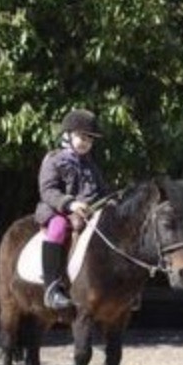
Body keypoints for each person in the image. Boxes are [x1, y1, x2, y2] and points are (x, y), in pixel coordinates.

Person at [35, 109, 109, 310]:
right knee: (57, 228)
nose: (85, 142)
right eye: (81, 137)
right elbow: (48, 190)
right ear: (67, 135)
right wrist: (70, 203)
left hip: (88, 213)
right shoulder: (54, 159)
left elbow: (102, 191)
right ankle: (52, 287)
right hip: (58, 211)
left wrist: (109, 202)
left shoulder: (92, 166)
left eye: (90, 139)